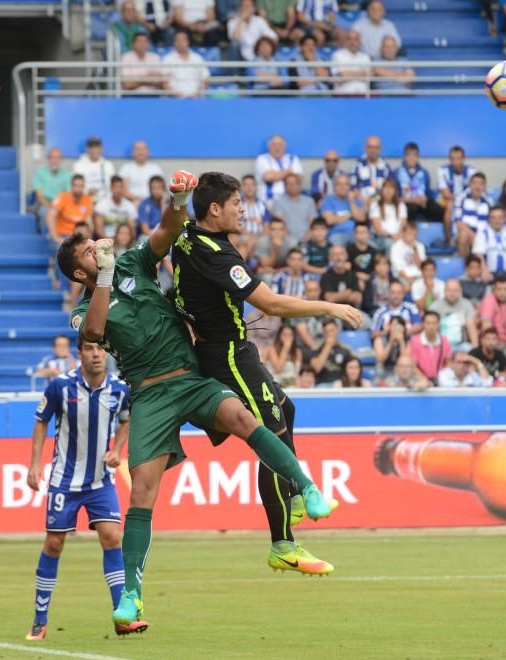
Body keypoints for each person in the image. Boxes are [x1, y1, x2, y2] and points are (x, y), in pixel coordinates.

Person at [61, 176, 335, 625]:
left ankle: (305, 487)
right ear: (79, 273)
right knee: (144, 492)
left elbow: (168, 231)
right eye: (89, 252)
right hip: (149, 395)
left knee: (246, 419)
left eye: (96, 244)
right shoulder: (85, 306)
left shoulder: (133, 262)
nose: (98, 249)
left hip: (190, 378)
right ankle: (131, 595)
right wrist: (105, 275)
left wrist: (180, 199)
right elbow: (93, 330)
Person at [168, 171, 361, 576]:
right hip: (227, 355)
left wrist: (181, 196)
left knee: (285, 410)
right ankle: (283, 544)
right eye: (237, 203)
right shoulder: (216, 253)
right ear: (216, 209)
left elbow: (177, 220)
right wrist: (328, 307)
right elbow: (271, 305)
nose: (244, 210)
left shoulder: (187, 234)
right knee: (269, 433)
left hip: (227, 348)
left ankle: (289, 495)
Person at [24, 338, 131, 641]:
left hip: (100, 480)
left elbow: (126, 420)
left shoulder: (119, 389)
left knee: (112, 537)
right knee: (54, 544)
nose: (96, 354)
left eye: (100, 349)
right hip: (64, 480)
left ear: (106, 352)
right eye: (89, 349)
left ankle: (121, 617)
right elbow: (40, 421)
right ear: (79, 353)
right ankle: (39, 620)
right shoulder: (60, 386)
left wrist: (117, 450)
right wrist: (34, 464)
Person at [394, 142, 443, 223]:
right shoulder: (397, 173)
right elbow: (395, 196)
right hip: (406, 203)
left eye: (414, 155)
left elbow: (428, 193)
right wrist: (409, 200)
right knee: (411, 209)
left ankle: (431, 232)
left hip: (421, 203)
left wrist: (424, 198)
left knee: (437, 209)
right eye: (409, 155)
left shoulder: (424, 173)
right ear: (405, 156)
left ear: (418, 157)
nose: (411, 158)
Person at [473, 206, 506, 281]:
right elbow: (479, 254)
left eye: (500, 217)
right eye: (494, 218)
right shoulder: (483, 233)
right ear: (489, 219)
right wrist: (484, 271)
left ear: (505, 219)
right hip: (489, 271)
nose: (497, 221)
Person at [429, 278, 478, 351]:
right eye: (449, 290)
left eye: (455, 290)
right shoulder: (435, 306)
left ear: (460, 291)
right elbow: (431, 329)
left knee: (471, 350)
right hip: (440, 345)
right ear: (444, 291)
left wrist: (475, 348)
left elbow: (471, 326)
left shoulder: (467, 304)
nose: (452, 293)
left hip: (462, 344)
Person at [33, 148, 72, 235]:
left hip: (61, 203)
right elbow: (39, 195)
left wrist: (59, 206)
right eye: (53, 157)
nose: (55, 160)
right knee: (44, 212)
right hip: (45, 202)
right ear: (48, 159)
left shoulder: (67, 174)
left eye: (58, 158)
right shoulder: (40, 173)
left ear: (61, 159)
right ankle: (46, 235)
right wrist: (50, 206)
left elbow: (68, 194)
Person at [255, 134, 303, 204]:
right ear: (269, 147)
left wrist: (277, 174)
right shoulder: (262, 159)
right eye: (274, 144)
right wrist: (288, 171)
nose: (277, 147)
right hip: (268, 200)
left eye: (280, 144)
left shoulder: (293, 159)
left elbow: (299, 179)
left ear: (285, 147)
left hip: (290, 199)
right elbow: (268, 177)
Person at [453, 172, 492, 258]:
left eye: (481, 184)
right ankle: (466, 265)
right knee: (464, 236)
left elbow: (492, 223)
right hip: (465, 233)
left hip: (483, 234)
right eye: (474, 183)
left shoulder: (489, 201)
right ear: (469, 185)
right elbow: (459, 224)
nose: (477, 187)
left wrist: (480, 237)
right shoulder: (461, 199)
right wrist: (475, 237)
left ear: (485, 186)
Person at [319, 173, 366, 245]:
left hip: (357, 234)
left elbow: (361, 219)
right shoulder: (328, 201)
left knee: (371, 245)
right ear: (334, 186)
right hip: (337, 234)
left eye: (345, 184)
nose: (342, 187)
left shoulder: (355, 200)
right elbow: (329, 220)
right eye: (339, 184)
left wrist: (352, 202)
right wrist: (350, 215)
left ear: (349, 187)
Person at [409, 310, 451, 383]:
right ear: (423, 324)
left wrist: (442, 377)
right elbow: (412, 365)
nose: (431, 326)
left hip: (440, 380)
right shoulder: (415, 341)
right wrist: (424, 379)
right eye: (428, 323)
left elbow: (448, 363)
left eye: (434, 323)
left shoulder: (444, 341)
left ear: (438, 324)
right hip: (420, 380)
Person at [309, 317, 354, 384]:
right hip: (322, 385)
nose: (330, 334)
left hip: (341, 385)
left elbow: (353, 370)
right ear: (323, 333)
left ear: (337, 330)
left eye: (332, 330)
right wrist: (328, 346)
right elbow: (315, 369)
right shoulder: (317, 348)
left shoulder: (346, 349)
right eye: (327, 331)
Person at [272, 173, 317, 241]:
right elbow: (280, 223)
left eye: (294, 183)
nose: (291, 186)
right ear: (285, 187)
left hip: (308, 238)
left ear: (299, 185)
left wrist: (307, 237)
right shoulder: (279, 202)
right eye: (288, 183)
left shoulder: (309, 201)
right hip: (287, 239)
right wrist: (290, 241)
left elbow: (313, 222)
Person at [72, 136, 115, 201]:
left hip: (105, 201)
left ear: (102, 148)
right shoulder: (78, 165)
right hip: (84, 200)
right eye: (92, 147)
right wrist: (87, 191)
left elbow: (114, 185)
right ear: (87, 149)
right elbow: (74, 186)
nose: (95, 150)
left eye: (97, 147)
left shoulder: (108, 165)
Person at [320, 245, 362, 310]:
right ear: (330, 257)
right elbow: (329, 299)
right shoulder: (326, 276)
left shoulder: (352, 274)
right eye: (335, 254)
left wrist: (337, 296)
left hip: (351, 312)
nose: (338, 257)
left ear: (346, 256)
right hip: (333, 313)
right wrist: (347, 294)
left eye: (341, 254)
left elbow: (358, 298)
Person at [350, 134, 391, 201]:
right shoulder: (357, 166)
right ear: (365, 148)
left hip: (382, 205)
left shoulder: (386, 167)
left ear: (380, 149)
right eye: (370, 147)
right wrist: (365, 202)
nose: (373, 150)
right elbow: (353, 188)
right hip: (362, 205)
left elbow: (392, 189)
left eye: (376, 148)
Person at [331, 29, 372, 95]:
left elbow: (370, 76)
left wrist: (347, 74)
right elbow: (338, 79)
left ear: (359, 41)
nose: (352, 42)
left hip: (363, 96)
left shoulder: (365, 57)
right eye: (349, 39)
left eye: (356, 39)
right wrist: (363, 73)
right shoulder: (337, 55)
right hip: (344, 96)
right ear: (345, 41)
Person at [369, 178, 407, 248]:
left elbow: (403, 226)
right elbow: (378, 229)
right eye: (385, 187)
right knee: (390, 244)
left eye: (391, 188)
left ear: (395, 191)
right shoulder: (375, 205)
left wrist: (398, 236)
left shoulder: (401, 205)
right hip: (381, 238)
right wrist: (392, 236)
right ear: (381, 190)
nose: (388, 190)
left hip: (398, 237)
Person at [389, 221, 426, 287]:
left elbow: (421, 267)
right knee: (405, 288)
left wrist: (415, 249)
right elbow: (399, 269)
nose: (412, 236)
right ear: (403, 233)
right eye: (409, 233)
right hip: (402, 277)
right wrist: (411, 281)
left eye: (414, 234)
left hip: (418, 276)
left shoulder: (419, 246)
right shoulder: (396, 246)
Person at [137, 175, 167, 239]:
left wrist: (163, 204)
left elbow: (166, 225)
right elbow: (145, 230)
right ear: (150, 189)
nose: (156, 191)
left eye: (159, 188)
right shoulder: (144, 204)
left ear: (164, 189)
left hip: (165, 234)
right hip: (149, 235)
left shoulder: (170, 203)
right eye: (154, 188)